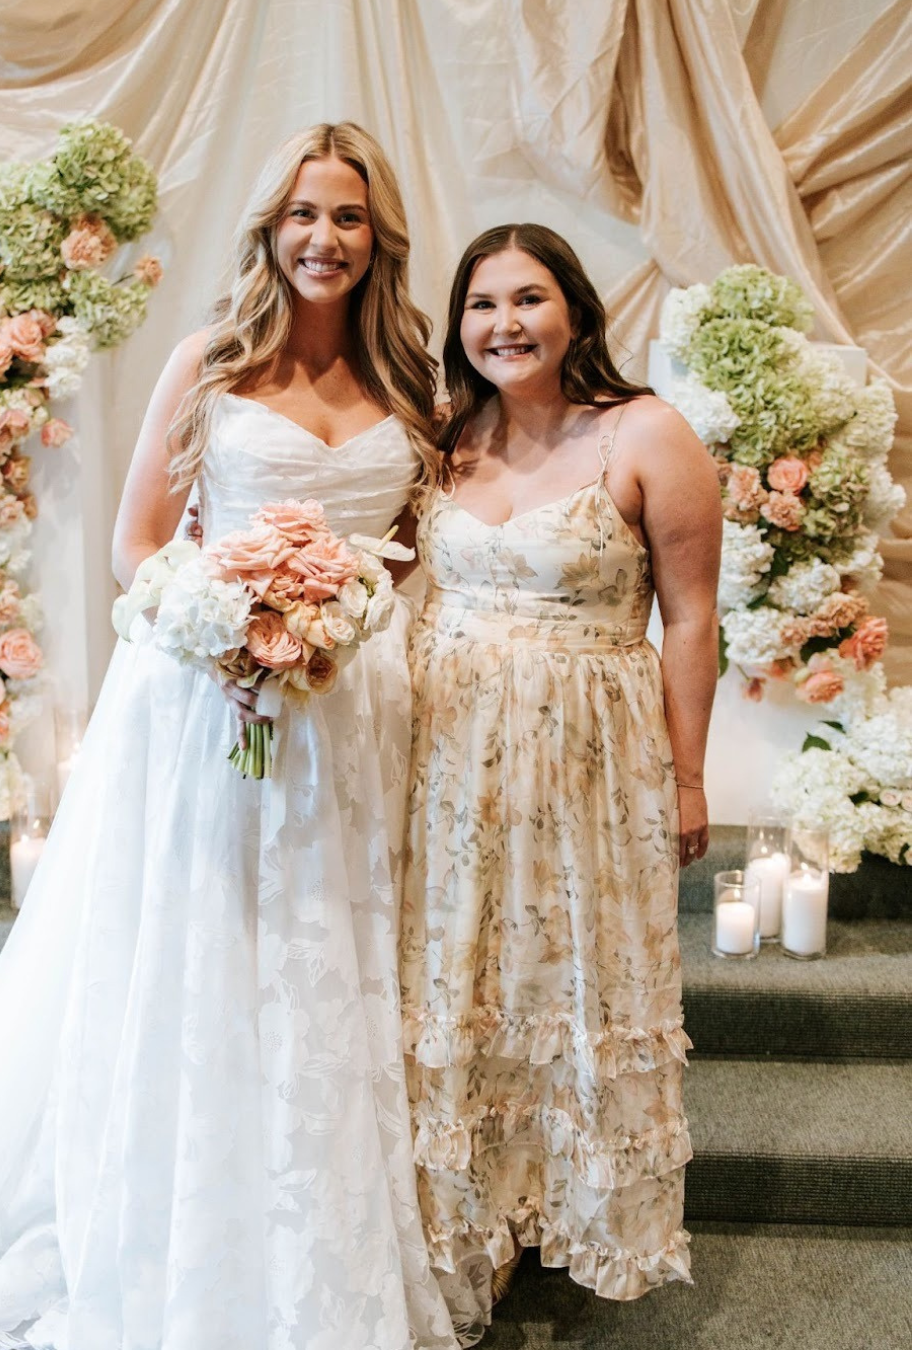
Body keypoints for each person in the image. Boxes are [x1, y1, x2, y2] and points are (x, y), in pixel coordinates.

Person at [0, 123, 459, 1350]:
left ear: (378, 239)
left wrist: (339, 629)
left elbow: (405, 552)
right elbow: (136, 545)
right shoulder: (208, 364)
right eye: (302, 214)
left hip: (354, 706)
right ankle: (190, 1197)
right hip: (209, 699)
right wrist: (229, 631)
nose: (324, 238)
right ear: (269, 229)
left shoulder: (410, 381)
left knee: (331, 944)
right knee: (213, 940)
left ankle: (318, 1203)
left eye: (347, 217)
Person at [398, 224, 721, 1342]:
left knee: (574, 978)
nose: (506, 324)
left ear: (574, 309)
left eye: (529, 298)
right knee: (464, 977)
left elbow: (692, 620)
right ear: (459, 326)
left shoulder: (646, 432)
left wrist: (687, 778)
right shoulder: (443, 437)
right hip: (448, 763)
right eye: (482, 305)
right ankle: (474, 1229)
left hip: (590, 766)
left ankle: (575, 1215)